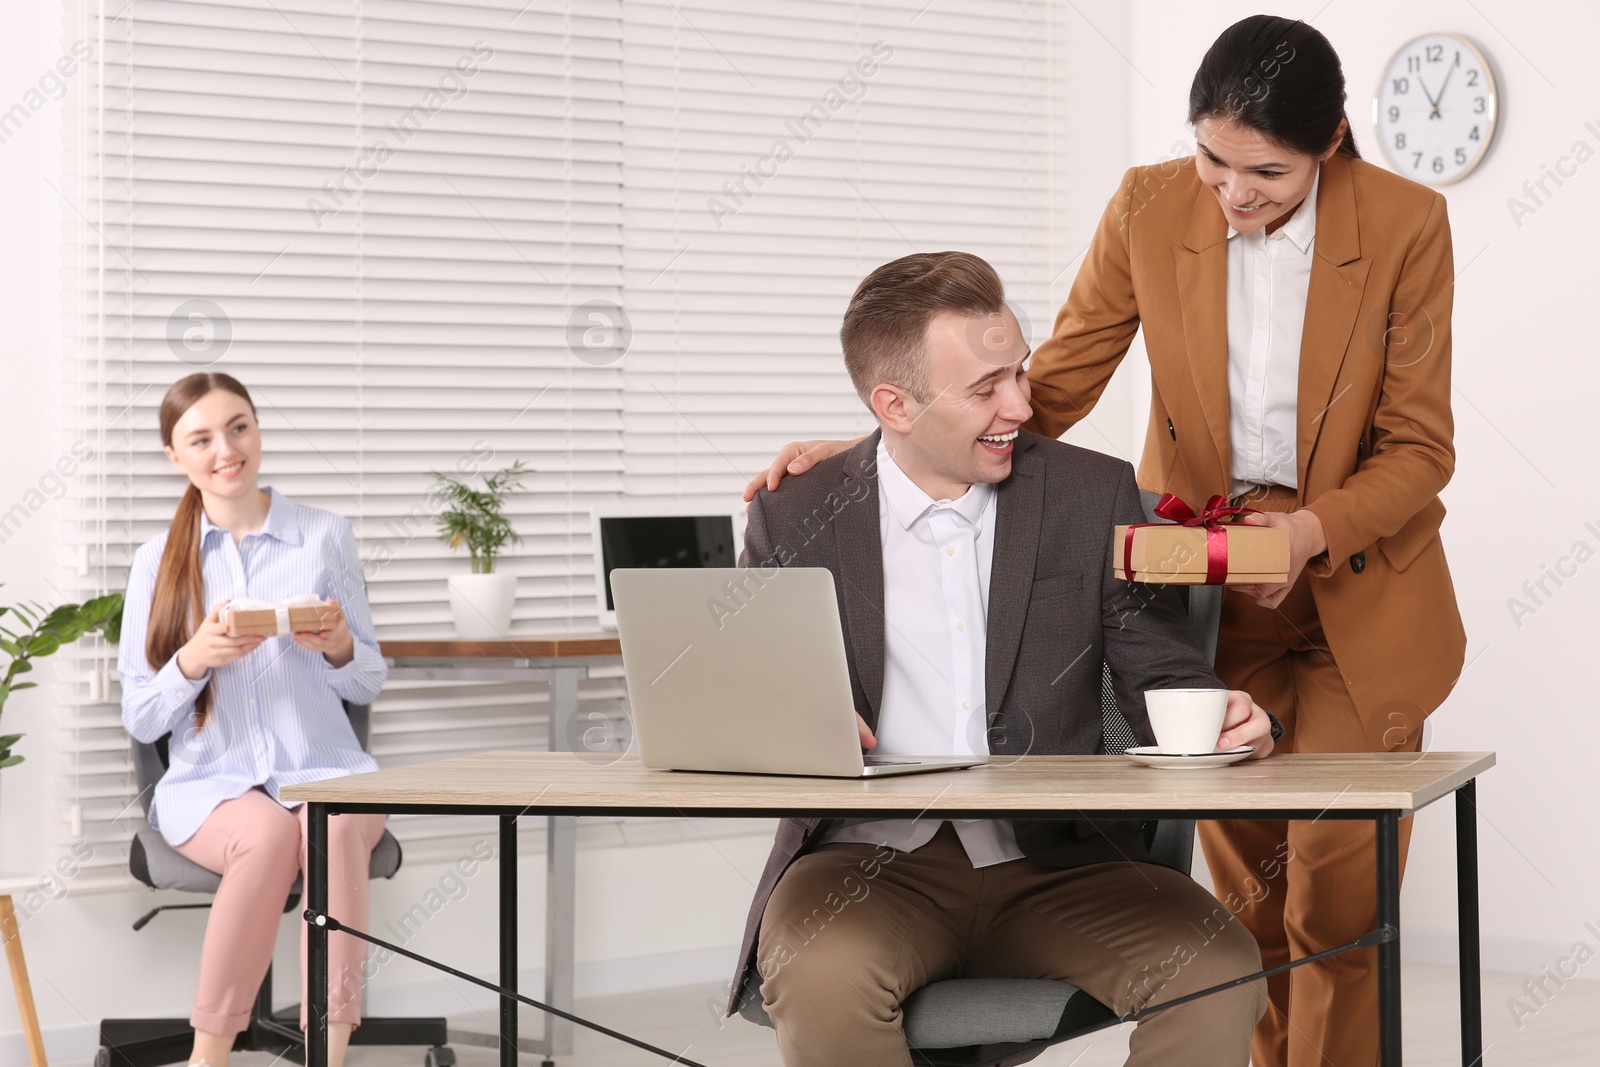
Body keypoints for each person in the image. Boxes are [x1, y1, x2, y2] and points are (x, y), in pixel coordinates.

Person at [742, 16, 1466, 1067]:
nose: (1233, 193)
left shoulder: (1405, 221)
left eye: (1265, 171)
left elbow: (1418, 445)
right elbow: (1055, 379)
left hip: (1352, 573)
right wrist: (878, 443)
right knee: (1248, 907)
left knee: (1340, 904)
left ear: (1332, 142)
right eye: (1213, 161)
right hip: (1195, 573)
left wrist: (1306, 532)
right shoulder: (1147, 203)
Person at [727, 251, 1279, 1067]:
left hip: (1060, 863)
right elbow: (751, 691)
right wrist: (783, 721)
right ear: (894, 405)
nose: (1022, 404)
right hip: (866, 864)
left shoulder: (1090, 492)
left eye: (1019, 372)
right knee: (820, 972)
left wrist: (1223, 712)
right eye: (986, 388)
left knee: (1219, 970)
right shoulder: (796, 510)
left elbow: (1160, 670)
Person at [119, 372, 388, 1067]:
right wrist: (193, 658)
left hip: (325, 766)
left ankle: (327, 1051)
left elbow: (370, 677)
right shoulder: (157, 561)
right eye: (201, 438)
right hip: (214, 782)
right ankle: (210, 1058)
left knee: (334, 823)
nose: (225, 449)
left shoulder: (325, 536)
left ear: (258, 430)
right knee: (267, 836)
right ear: (176, 457)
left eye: (238, 426)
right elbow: (141, 715)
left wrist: (338, 645)